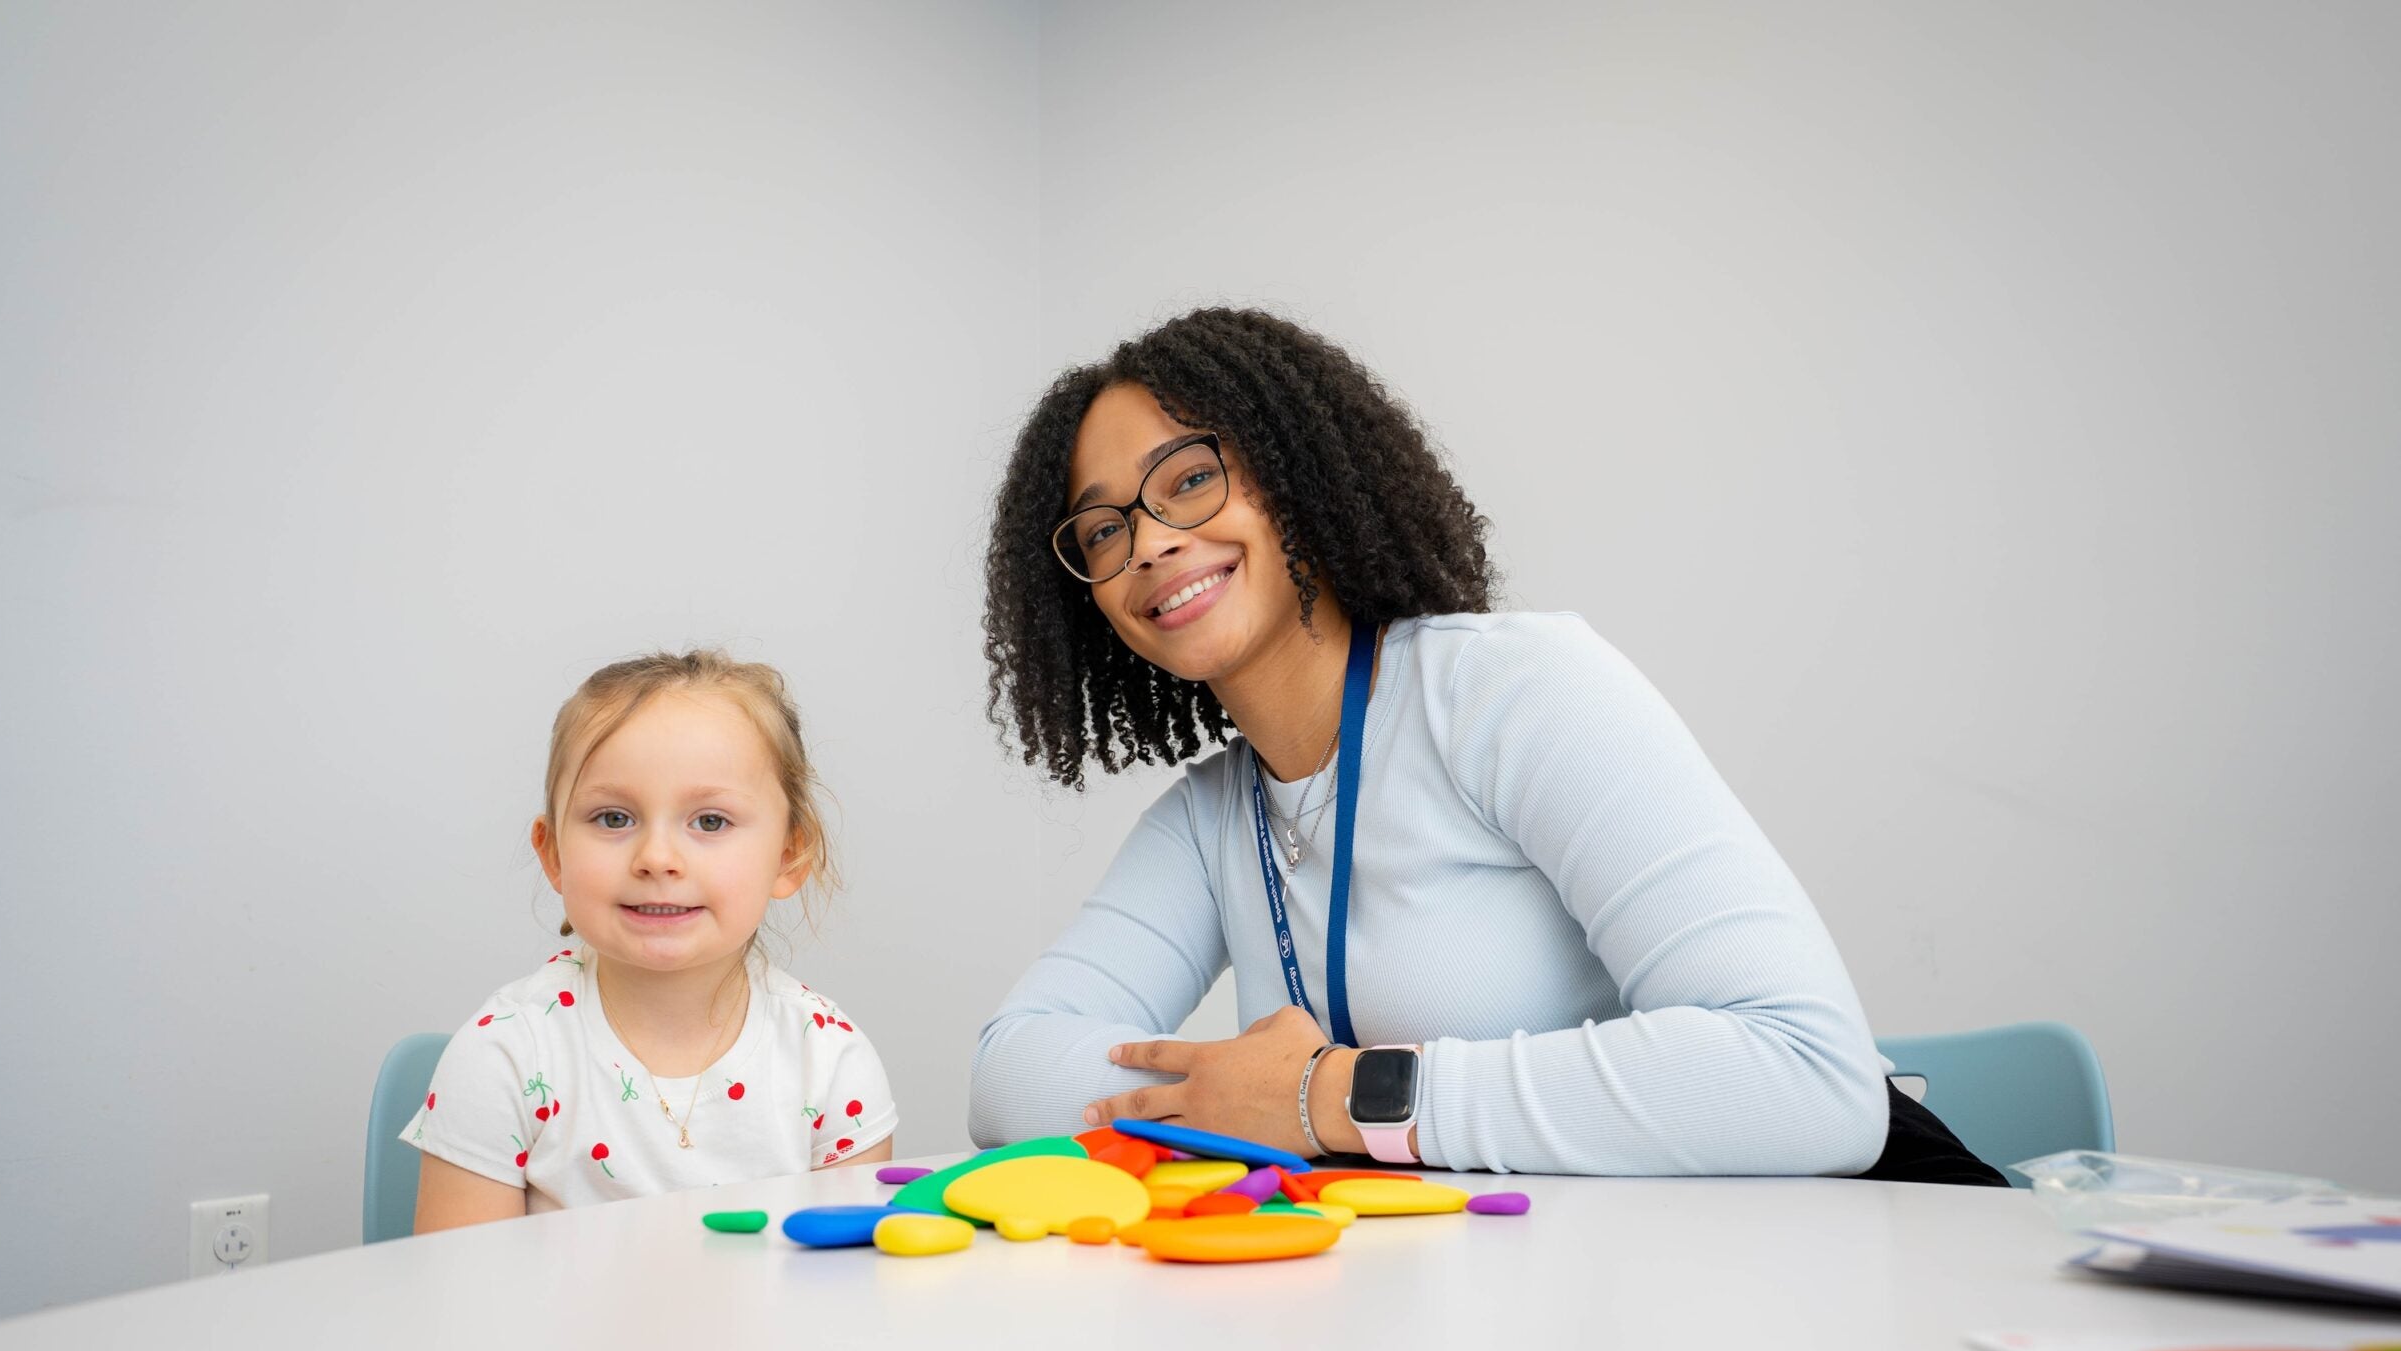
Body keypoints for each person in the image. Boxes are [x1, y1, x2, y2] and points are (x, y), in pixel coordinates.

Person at [969, 307, 2000, 1184]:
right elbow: (1007, 1076)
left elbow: (1804, 1072)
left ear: (1295, 476)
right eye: (1101, 530)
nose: (1147, 540)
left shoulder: (1509, 691)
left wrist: (1326, 1095)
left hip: (1820, 1280)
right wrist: (1233, 1096)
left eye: (1188, 479)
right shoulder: (1208, 818)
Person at [405, 650, 897, 1232]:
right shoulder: (504, 1057)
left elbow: (845, 1297)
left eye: (710, 822)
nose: (657, 859)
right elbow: (463, 1298)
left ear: (789, 856)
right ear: (553, 854)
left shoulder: (830, 1063)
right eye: (614, 819)